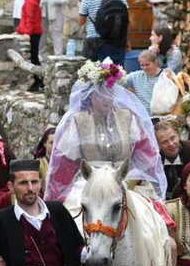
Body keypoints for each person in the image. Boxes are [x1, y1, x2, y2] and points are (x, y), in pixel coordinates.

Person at [44, 60, 167, 205]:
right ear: (90, 96)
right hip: (89, 184)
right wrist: (57, 196)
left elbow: (145, 154)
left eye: (110, 93)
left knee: (150, 213)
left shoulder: (127, 117)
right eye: (102, 95)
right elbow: (65, 165)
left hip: (126, 182)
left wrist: (143, 176)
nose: (107, 99)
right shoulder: (78, 122)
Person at [79, 0, 129, 64]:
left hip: (94, 41)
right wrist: (127, 40)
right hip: (117, 41)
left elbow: (81, 21)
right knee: (116, 74)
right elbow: (126, 19)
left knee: (93, 74)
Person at [155, 120, 190, 199]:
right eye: (165, 142)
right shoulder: (155, 159)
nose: (171, 144)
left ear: (178, 135)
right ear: (158, 145)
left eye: (173, 138)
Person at [15, 0, 44, 91]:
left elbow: (30, 19)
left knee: (34, 57)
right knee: (33, 56)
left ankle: (38, 81)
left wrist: (27, 32)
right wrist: (19, 30)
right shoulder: (32, 0)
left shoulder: (30, 1)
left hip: (33, 32)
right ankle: (38, 80)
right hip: (34, 31)